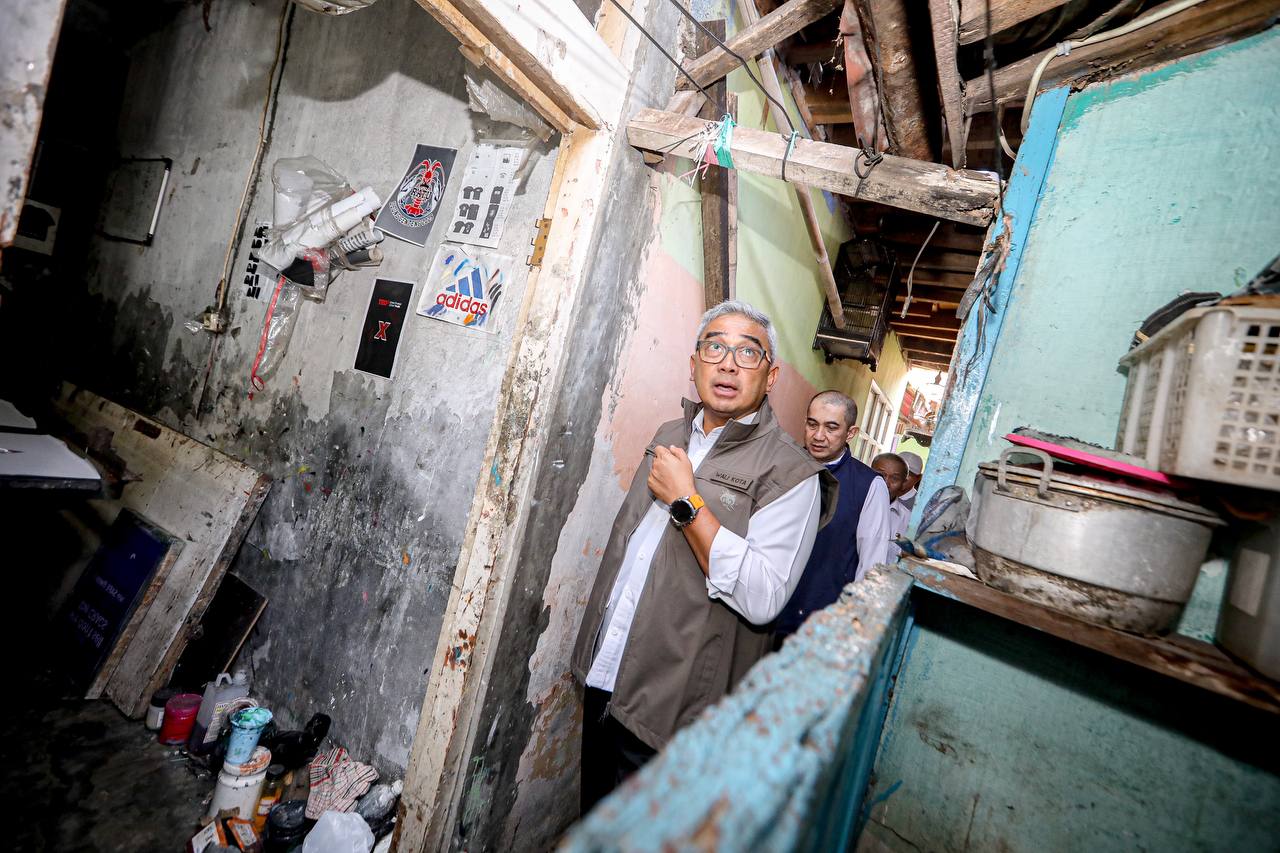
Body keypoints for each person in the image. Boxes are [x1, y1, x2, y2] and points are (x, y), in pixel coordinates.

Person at [571, 300, 837, 814]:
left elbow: (763, 597)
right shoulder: (669, 434)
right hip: (608, 671)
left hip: (676, 707)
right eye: (715, 347)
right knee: (592, 819)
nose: (728, 364)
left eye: (747, 352)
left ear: (771, 375)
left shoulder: (792, 475)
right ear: (694, 364)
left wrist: (687, 501)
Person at [772, 391, 893, 640]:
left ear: (850, 433)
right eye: (812, 424)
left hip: (822, 624)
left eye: (831, 428)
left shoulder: (868, 485)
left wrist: (852, 625)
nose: (818, 436)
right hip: (767, 612)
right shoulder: (782, 466)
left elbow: (872, 566)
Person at [871, 452, 911, 540]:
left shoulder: (908, 520)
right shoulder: (851, 504)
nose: (886, 483)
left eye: (894, 478)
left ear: (903, 484)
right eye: (880, 475)